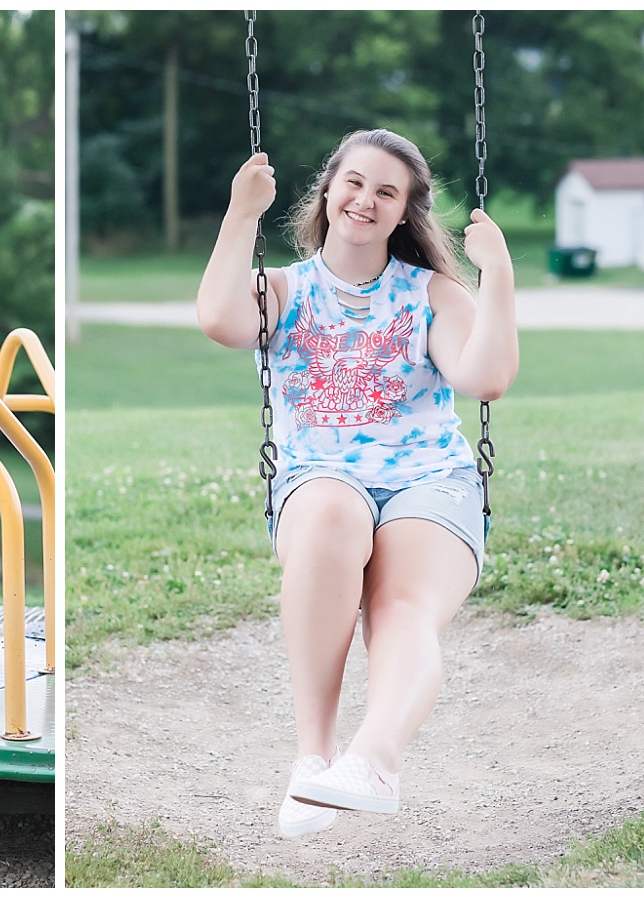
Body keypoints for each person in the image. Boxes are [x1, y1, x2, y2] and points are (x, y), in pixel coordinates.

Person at [196, 129, 517, 838]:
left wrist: (499, 281)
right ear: (328, 189)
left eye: (386, 192)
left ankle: (372, 762)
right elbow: (219, 319)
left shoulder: (430, 293)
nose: (365, 201)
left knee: (402, 604)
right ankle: (313, 759)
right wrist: (240, 213)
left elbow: (485, 376)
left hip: (428, 482)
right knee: (334, 513)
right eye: (355, 182)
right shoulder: (282, 290)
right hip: (321, 477)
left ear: (405, 212)